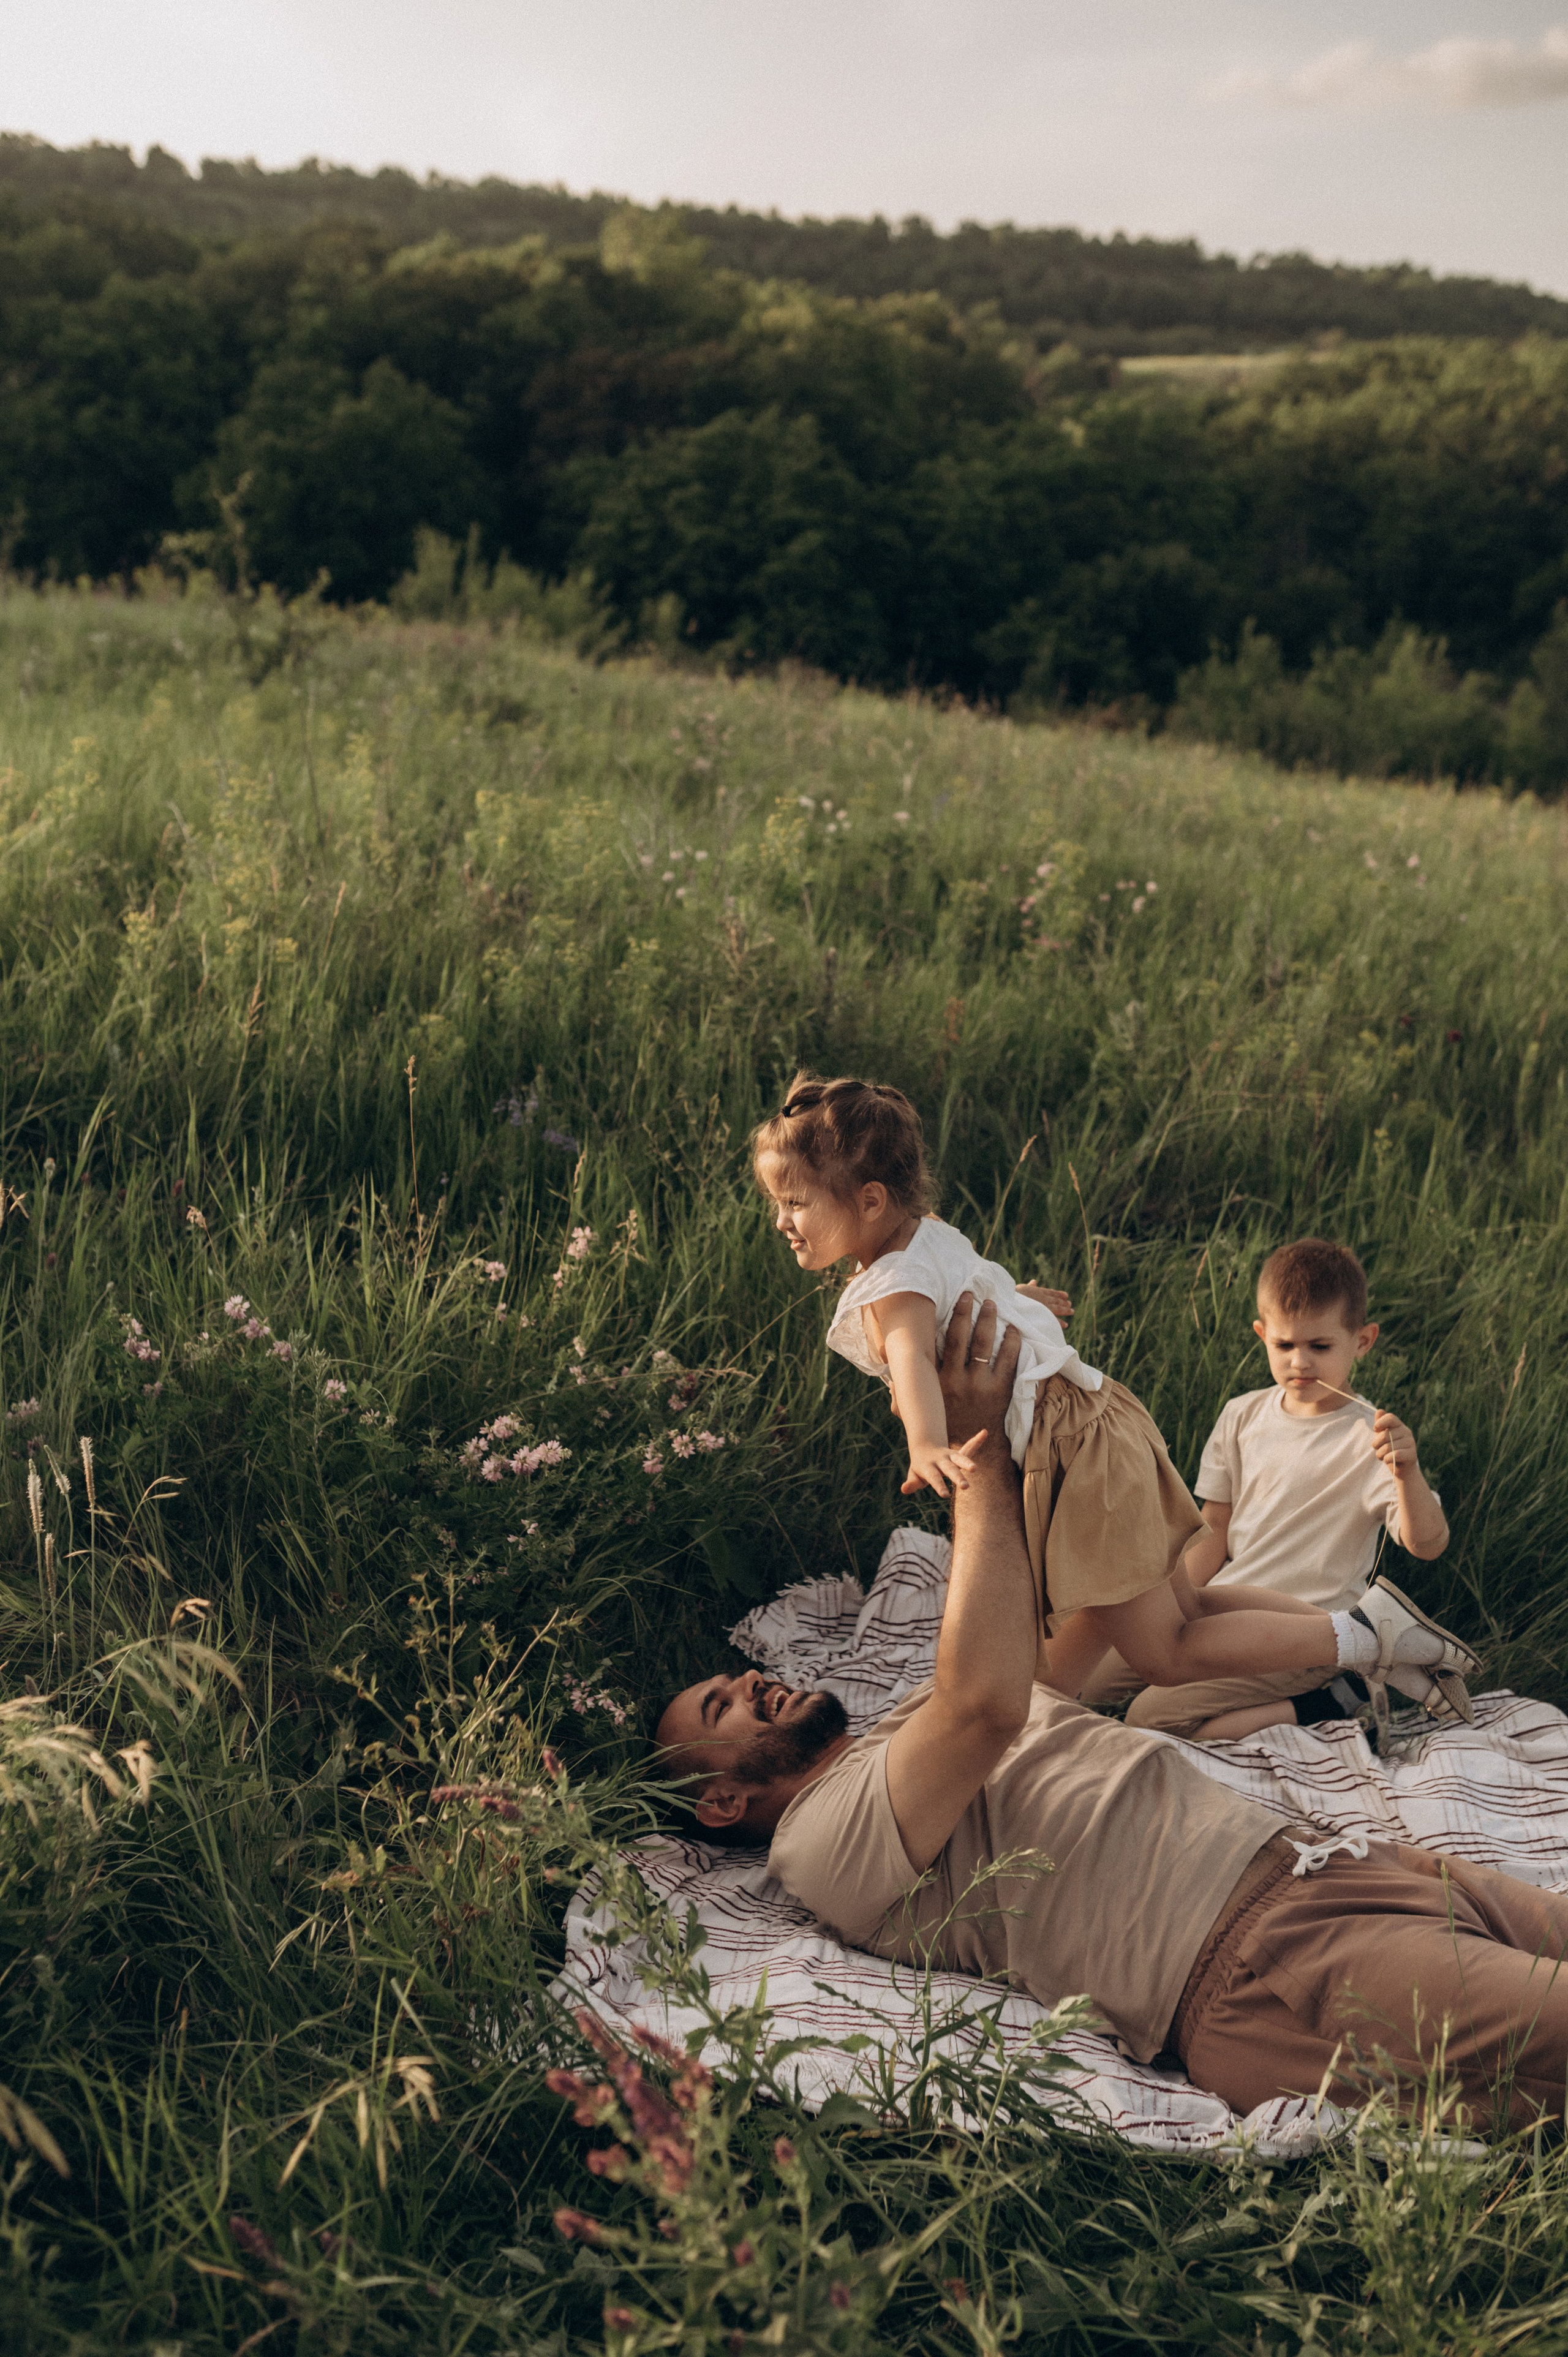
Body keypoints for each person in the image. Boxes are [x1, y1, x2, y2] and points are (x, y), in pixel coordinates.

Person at [656, 1301, 1568, 2130]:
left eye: (735, 1679)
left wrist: (1038, 1378)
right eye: (720, 1705)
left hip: (1335, 1868)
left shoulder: (906, 1721)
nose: (748, 1682)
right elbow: (986, 1705)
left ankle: (1362, 1637)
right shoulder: (819, 1846)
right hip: (1257, 1964)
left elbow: (1091, 1620)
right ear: (722, 1802)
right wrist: (983, 1465)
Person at [752, 1073, 1477, 1708]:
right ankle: (1359, 1629)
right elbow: (976, 1283)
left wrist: (926, 1443)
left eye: (796, 1202)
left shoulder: (891, 1284)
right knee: (1183, 1601)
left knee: (1165, 1652)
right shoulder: (924, 1234)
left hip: (1071, 1451)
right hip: (1098, 1416)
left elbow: (911, 1356)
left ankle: (1365, 1635)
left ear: (871, 1199)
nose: (782, 1220)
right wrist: (1018, 1298)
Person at [1090, 1238, 1457, 1741]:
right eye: (1284, 1346)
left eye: (1320, 1347)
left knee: (1152, 1719)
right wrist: (1180, 1609)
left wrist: (1407, 1473)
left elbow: (1428, 1544)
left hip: (1306, 1634)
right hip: (1224, 1613)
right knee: (1089, 1683)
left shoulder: (1370, 1437)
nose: (1300, 1363)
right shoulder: (1242, 1415)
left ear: (1363, 1340)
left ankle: (1329, 1701)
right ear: (1262, 1335)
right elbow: (1213, 1529)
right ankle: (1277, 1691)